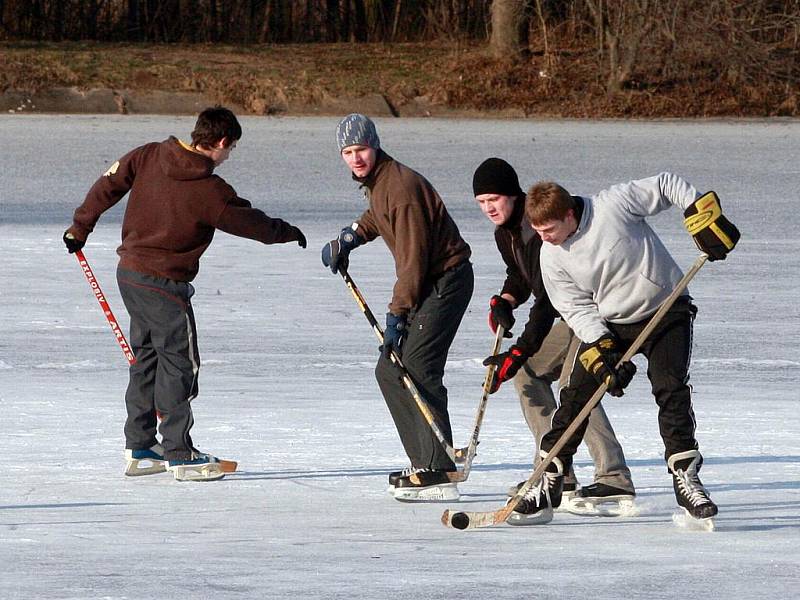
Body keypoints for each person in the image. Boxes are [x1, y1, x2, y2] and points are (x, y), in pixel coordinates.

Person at [63, 106, 307, 482]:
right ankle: (178, 451)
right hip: (164, 285)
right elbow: (252, 223)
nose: (228, 157)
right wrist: (288, 231)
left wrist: (80, 227)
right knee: (180, 362)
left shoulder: (150, 154)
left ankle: (141, 444)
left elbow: (107, 183)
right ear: (222, 142)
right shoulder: (211, 191)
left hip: (130, 275)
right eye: (231, 149)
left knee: (147, 358)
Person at [510, 172, 739, 525]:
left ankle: (686, 476)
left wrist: (700, 212)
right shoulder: (550, 254)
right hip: (612, 323)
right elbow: (574, 307)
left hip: (666, 308)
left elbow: (666, 184)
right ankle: (549, 479)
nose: (544, 238)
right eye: (538, 231)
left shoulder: (613, 204)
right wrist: (600, 346)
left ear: (570, 214)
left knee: (670, 387)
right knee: (576, 397)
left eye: (549, 229)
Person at [322, 113, 473, 502]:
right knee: (391, 371)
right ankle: (427, 459)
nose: (355, 158)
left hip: (445, 281)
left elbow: (412, 260)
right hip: (428, 282)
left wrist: (397, 315)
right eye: (348, 152)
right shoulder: (381, 182)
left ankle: (437, 468)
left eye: (361, 149)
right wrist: (350, 236)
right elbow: (378, 215)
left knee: (417, 367)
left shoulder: (401, 187)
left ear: (375, 145)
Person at [472, 158, 635, 514]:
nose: (488, 208)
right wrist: (506, 299)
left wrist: (518, 351)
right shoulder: (505, 233)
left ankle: (613, 477)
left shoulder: (536, 231)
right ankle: (559, 471)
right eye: (482, 202)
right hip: (564, 318)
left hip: (590, 314)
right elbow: (519, 274)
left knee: (574, 384)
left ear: (514, 195)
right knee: (527, 375)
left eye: (494, 199)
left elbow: (546, 304)